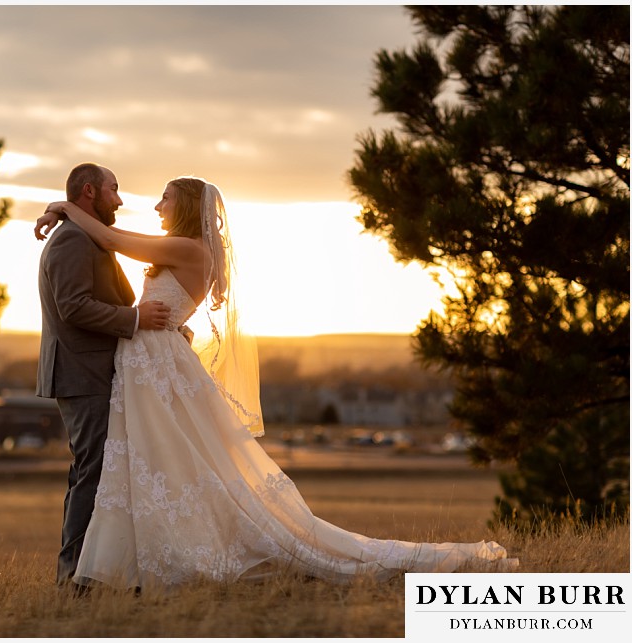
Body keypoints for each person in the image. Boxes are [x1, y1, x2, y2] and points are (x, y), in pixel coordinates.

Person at [34, 176, 518, 591]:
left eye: (165, 198)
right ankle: (120, 566)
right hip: (150, 365)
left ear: (184, 206)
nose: (156, 205)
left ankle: (133, 565)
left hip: (156, 368)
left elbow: (115, 240)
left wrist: (63, 207)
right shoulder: (186, 249)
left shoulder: (186, 247)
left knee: (159, 462)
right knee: (152, 464)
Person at [35, 162, 172, 590]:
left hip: (93, 371)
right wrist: (134, 319)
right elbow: (72, 306)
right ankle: (72, 578)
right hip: (82, 372)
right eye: (115, 189)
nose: (121, 198)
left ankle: (89, 573)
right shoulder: (73, 239)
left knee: (93, 471)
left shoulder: (84, 233)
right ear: (91, 191)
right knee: (91, 472)